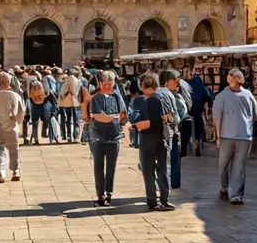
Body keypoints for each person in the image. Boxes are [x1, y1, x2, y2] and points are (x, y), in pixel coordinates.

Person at [212, 68, 257, 205]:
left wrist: (248, 126)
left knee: (239, 165)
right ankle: (224, 187)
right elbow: (217, 118)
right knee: (223, 165)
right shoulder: (221, 96)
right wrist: (218, 135)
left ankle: (237, 194)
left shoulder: (248, 95)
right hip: (227, 135)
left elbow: (254, 112)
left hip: (244, 136)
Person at [83, 70, 126, 206]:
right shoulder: (95, 98)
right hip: (96, 135)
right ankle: (100, 194)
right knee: (98, 164)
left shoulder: (118, 98)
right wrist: (113, 117)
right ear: (100, 83)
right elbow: (96, 116)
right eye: (105, 84)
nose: (107, 86)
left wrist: (121, 120)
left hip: (114, 135)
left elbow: (124, 116)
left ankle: (109, 192)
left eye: (110, 84)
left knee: (111, 165)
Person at [133, 73, 174, 211]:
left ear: (142, 86)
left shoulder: (138, 100)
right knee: (162, 170)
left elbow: (133, 119)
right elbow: (170, 117)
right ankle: (165, 200)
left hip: (145, 138)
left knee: (148, 171)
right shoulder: (164, 97)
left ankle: (151, 200)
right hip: (161, 137)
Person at [0, 72, 25, 182]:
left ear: (0, 82)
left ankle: (0, 173)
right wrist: (16, 122)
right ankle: (16, 171)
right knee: (14, 149)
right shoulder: (15, 95)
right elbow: (21, 112)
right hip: (12, 125)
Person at [160, 70, 190, 189]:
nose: (178, 83)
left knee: (172, 159)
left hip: (172, 132)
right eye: (175, 81)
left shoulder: (177, 95)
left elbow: (179, 115)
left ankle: (171, 184)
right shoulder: (164, 94)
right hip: (163, 132)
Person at [186, 71, 214, 157]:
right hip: (198, 110)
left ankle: (185, 145)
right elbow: (210, 98)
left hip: (187, 111)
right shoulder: (202, 87)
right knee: (199, 126)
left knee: (185, 128)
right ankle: (198, 141)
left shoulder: (186, 86)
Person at [58, 68, 81, 143]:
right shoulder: (78, 81)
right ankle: (76, 136)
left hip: (67, 102)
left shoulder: (67, 81)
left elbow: (62, 93)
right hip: (76, 102)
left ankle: (69, 136)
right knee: (76, 120)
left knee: (69, 120)